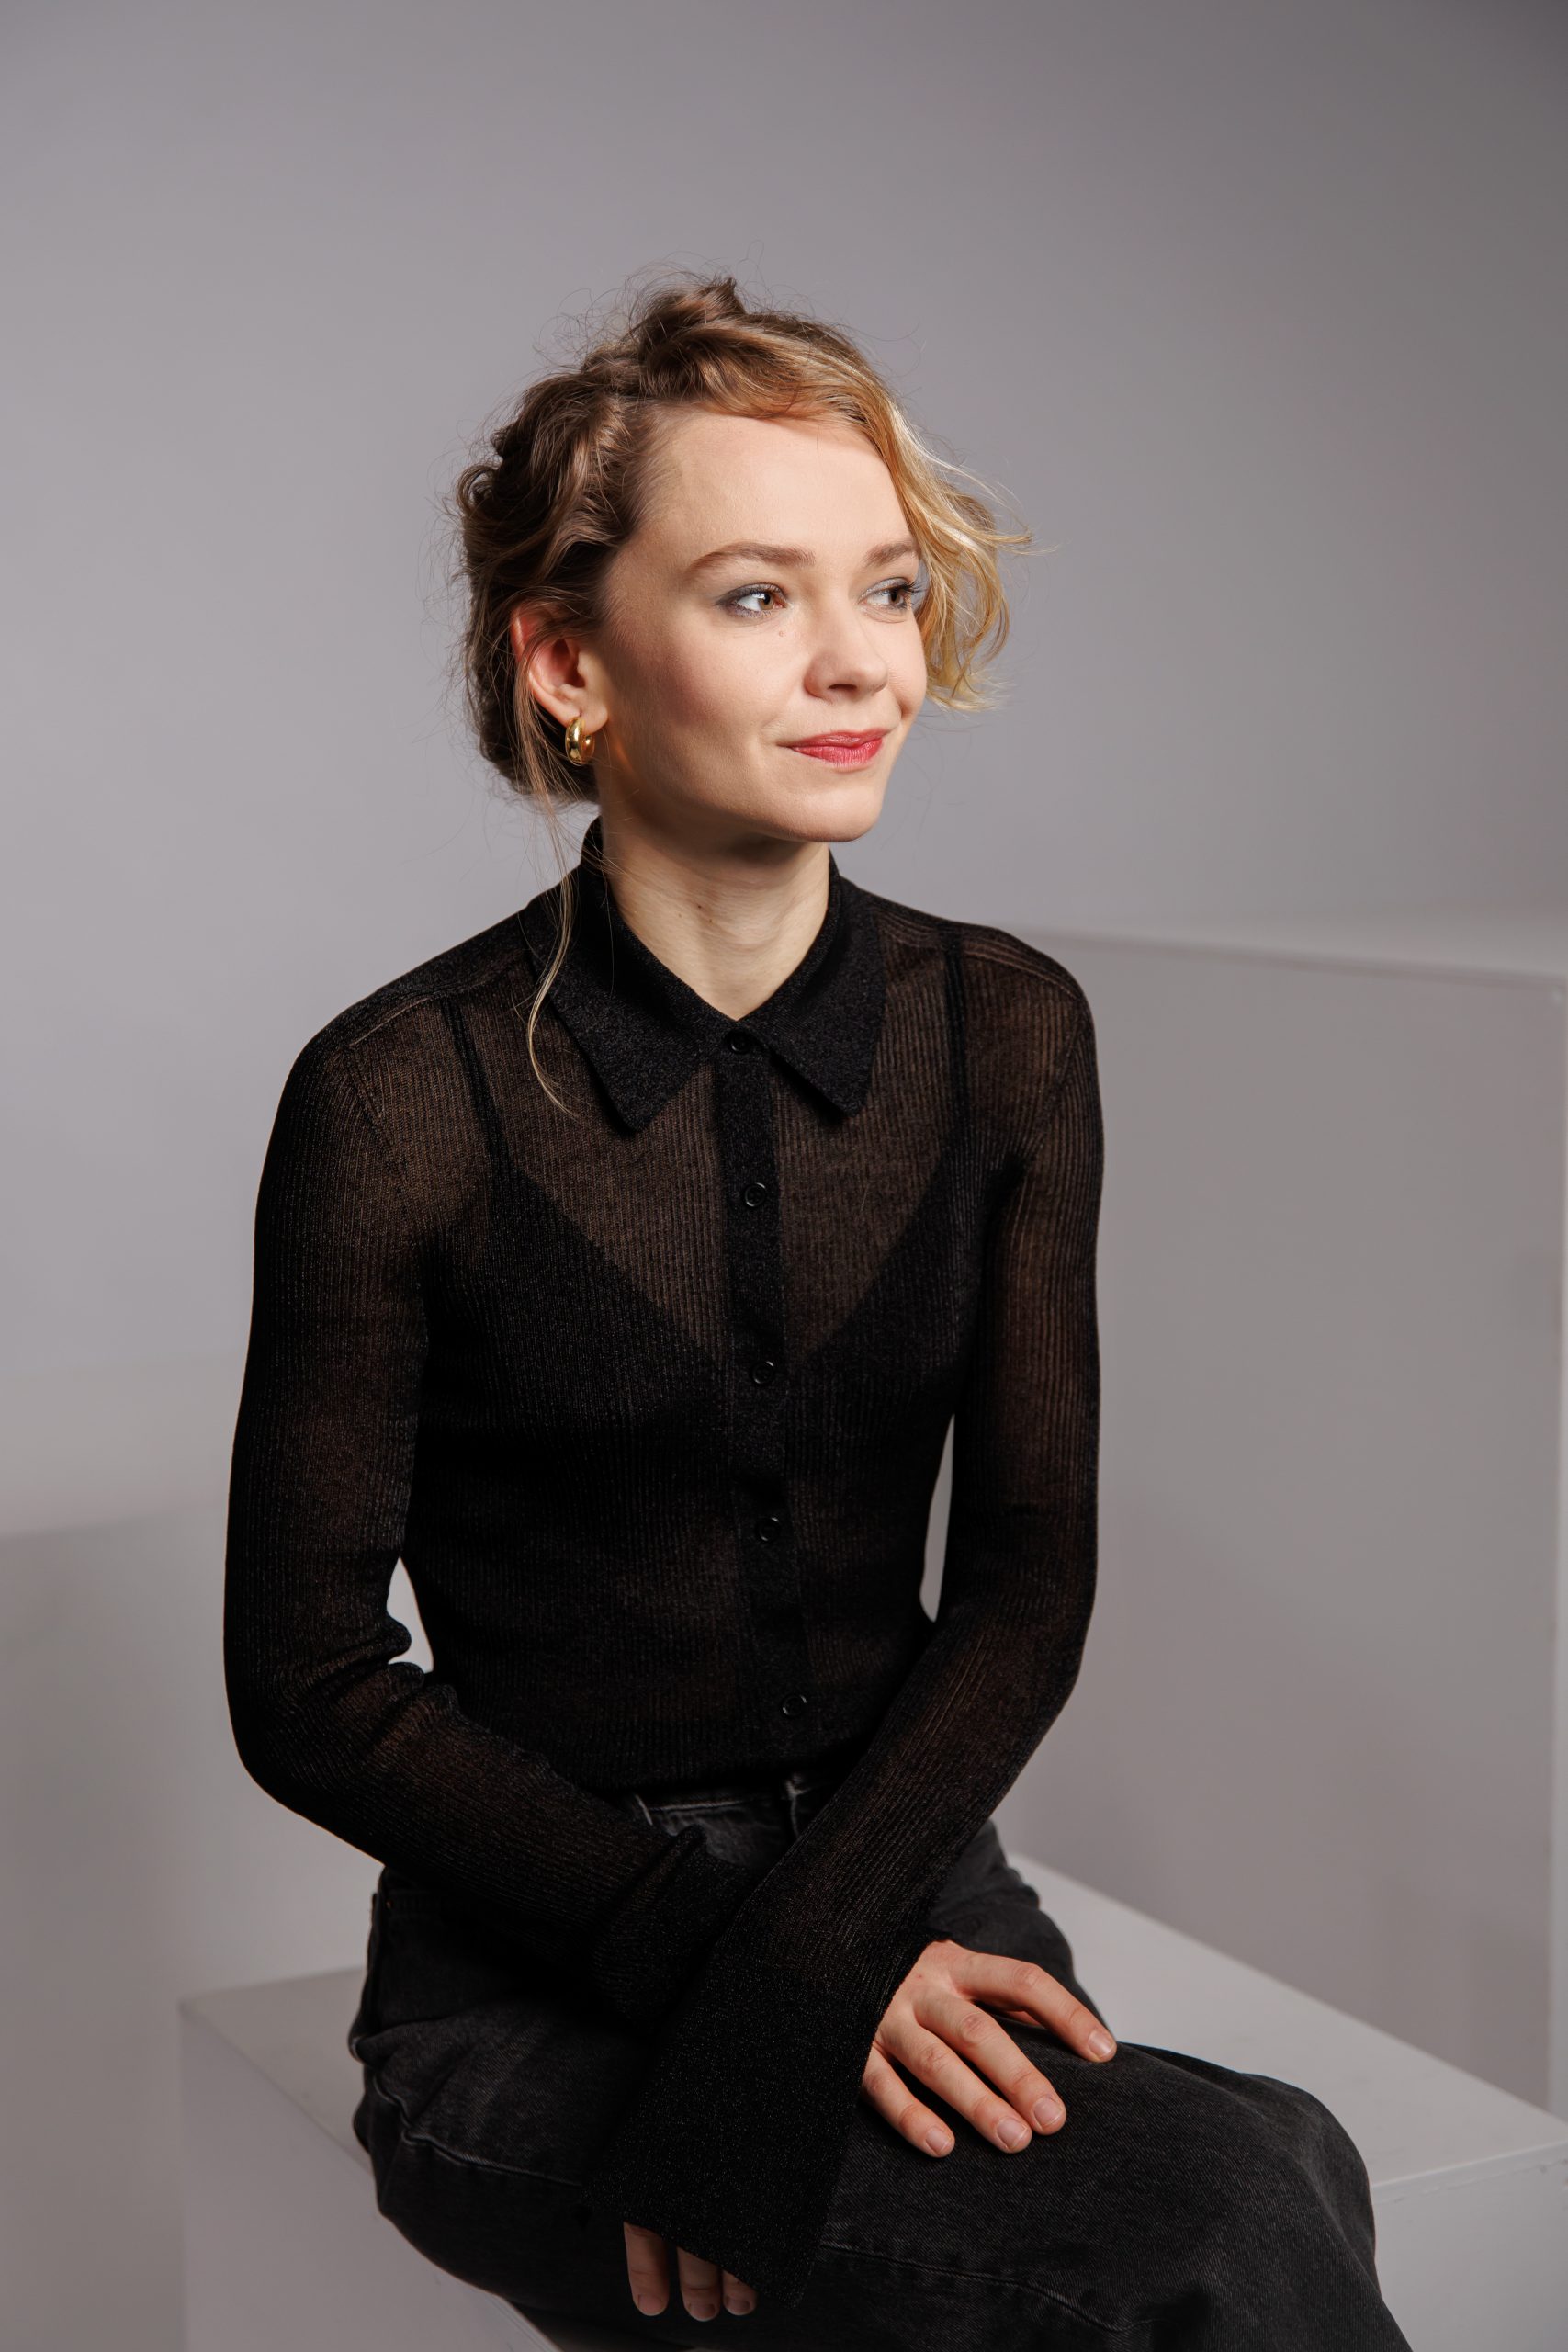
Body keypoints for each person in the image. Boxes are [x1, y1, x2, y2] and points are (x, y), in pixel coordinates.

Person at [223, 270, 1413, 2350]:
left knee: (1284, 2158)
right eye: (759, 595)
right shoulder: (399, 1096)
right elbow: (307, 1680)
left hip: (906, 1893)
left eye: (889, 587)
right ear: (569, 663)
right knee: (1209, 2233)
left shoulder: (1006, 1033)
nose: (863, 658)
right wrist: (733, 1977)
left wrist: (813, 1964)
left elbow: (1026, 1577)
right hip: (535, 1977)